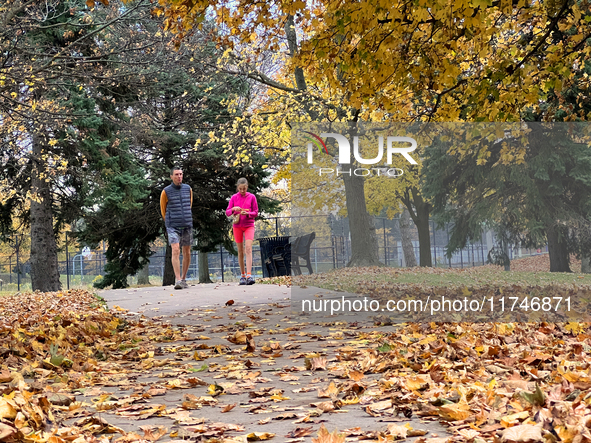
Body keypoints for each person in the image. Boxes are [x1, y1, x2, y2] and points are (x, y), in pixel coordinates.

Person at [160, 167, 193, 289]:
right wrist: (169, 221)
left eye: (181, 174)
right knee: (175, 249)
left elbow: (189, 204)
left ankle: (183, 278)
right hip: (172, 225)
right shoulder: (166, 191)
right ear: (171, 176)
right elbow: (163, 209)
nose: (179, 176)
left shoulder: (188, 189)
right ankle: (178, 279)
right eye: (176, 174)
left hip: (187, 224)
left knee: (187, 252)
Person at [226, 178, 259, 285]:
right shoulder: (234, 198)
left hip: (249, 225)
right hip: (237, 226)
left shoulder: (252, 197)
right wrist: (233, 209)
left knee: (248, 248)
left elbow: (256, 212)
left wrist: (248, 214)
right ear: (237, 188)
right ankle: (243, 275)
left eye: (244, 189)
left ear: (247, 187)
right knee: (240, 250)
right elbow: (227, 212)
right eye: (240, 189)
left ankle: (249, 275)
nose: (242, 191)